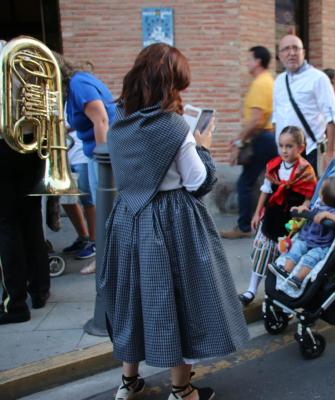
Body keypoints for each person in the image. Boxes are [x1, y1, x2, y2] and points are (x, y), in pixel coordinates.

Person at [99, 44, 249, 400]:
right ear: (168, 85)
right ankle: (182, 391)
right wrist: (202, 145)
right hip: (171, 223)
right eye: (178, 86)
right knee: (181, 302)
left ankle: (128, 384)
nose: (181, 93)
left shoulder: (118, 120)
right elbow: (200, 182)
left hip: (127, 220)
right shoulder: (175, 127)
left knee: (133, 302)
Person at [0, 40, 50, 325]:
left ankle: (14, 304)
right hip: (31, 146)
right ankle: (40, 290)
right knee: (31, 220)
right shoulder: (26, 55)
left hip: (5, 145)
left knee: (7, 225)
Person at [238, 126, 317, 305]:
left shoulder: (306, 171)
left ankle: (273, 293)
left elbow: (308, 198)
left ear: (300, 148)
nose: (284, 150)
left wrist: (302, 210)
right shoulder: (273, 166)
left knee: (282, 260)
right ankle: (251, 290)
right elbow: (265, 191)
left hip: (290, 224)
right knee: (262, 254)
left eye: (289, 146)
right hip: (271, 218)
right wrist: (257, 213)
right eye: (281, 146)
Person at [55, 53, 116, 272]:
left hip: (101, 153)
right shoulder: (75, 86)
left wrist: (103, 160)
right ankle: (105, 258)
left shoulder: (78, 83)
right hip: (96, 152)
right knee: (104, 208)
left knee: (106, 208)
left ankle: (106, 260)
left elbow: (101, 119)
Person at [221, 46, 278, 239]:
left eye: (249, 59)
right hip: (268, 137)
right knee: (272, 182)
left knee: (245, 183)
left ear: (258, 61)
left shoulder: (261, 83)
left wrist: (239, 141)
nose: (246, 63)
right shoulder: (268, 81)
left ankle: (244, 227)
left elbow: (256, 119)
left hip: (262, 137)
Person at [272, 34, 335, 175]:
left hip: (310, 152)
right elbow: (275, 118)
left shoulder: (318, 78)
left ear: (303, 52)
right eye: (286, 49)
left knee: (310, 196)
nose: (291, 53)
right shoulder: (279, 81)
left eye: (296, 48)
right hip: (285, 156)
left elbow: (332, 117)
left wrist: (330, 153)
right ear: (279, 55)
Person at [271, 176, 335, 289]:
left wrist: (327, 215)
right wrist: (303, 209)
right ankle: (285, 270)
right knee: (296, 249)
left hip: (321, 245)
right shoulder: (318, 205)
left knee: (311, 258)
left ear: (323, 196)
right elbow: (309, 211)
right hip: (306, 239)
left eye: (321, 188)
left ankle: (298, 279)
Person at [60, 120, 97, 272]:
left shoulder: (81, 95)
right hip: (63, 153)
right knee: (65, 197)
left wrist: (66, 127)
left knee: (87, 198)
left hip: (79, 151)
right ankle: (83, 236)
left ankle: (95, 242)